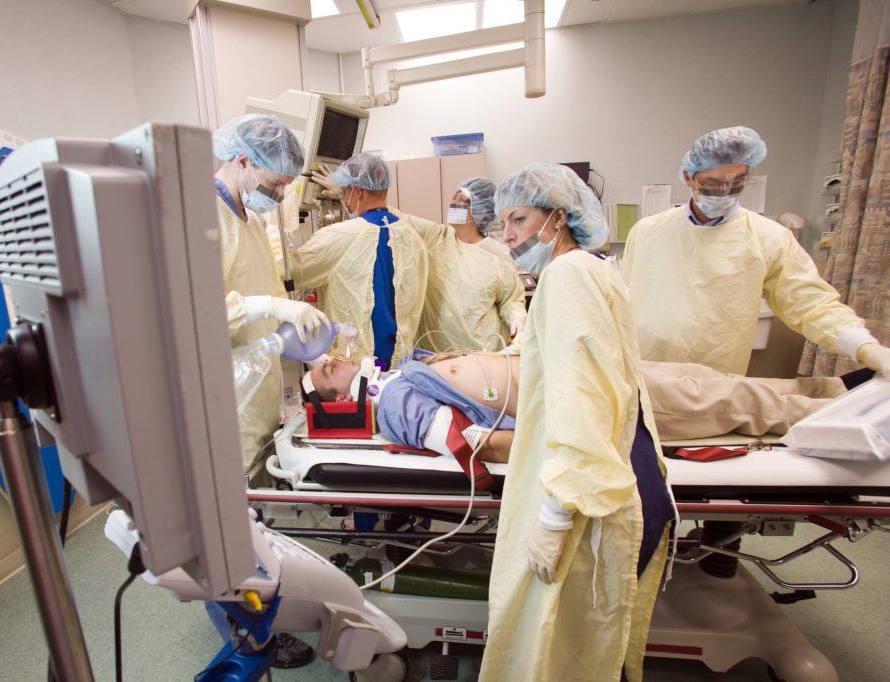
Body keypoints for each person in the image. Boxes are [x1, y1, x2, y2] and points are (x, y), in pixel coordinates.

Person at [482, 163, 674, 682]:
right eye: (503, 223)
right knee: (586, 640)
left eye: (520, 219)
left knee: (566, 642)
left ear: (559, 217)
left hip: (591, 488)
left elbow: (581, 397)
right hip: (624, 465)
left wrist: (554, 516)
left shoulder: (566, 276)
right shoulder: (594, 267)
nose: (509, 235)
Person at [621, 126, 890, 377]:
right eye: (712, 182)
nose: (725, 191)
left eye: (736, 181)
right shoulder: (647, 231)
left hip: (714, 379)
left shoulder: (769, 238)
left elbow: (811, 303)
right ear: (688, 178)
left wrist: (864, 345)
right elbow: (623, 300)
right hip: (645, 369)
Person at [213, 115, 324, 670]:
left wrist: (303, 340)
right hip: (219, 396)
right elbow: (199, 309)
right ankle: (247, 635)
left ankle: (259, 614)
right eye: (276, 183)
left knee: (250, 521)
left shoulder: (251, 220)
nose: (281, 195)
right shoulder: (204, 218)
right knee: (227, 529)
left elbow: (264, 298)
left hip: (253, 390)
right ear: (242, 161)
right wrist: (270, 306)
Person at [303, 353, 846, 463]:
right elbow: (471, 442)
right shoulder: (393, 404)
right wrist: (573, 438)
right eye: (327, 370)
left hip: (579, 370)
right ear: (340, 400)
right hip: (584, 401)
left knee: (702, 377)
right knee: (723, 402)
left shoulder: (397, 374)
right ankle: (844, 415)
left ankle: (836, 386)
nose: (334, 358)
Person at [290, 153, 428, 370]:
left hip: (354, 367)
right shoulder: (412, 236)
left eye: (344, 192)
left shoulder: (337, 236)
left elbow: (292, 273)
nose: (344, 198)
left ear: (357, 191)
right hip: (400, 362)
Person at [414, 177, 527, 352]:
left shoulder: (497, 255)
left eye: (463, 201)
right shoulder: (434, 239)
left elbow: (510, 299)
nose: (454, 205)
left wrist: (517, 316)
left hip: (483, 355)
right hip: (434, 357)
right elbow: (399, 221)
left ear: (480, 211)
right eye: (454, 198)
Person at [445, 177, 515, 263]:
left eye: (461, 199)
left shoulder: (495, 254)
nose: (453, 203)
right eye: (454, 198)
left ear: (480, 212)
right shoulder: (438, 243)